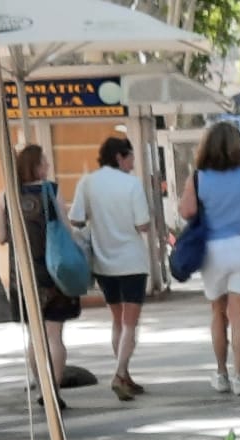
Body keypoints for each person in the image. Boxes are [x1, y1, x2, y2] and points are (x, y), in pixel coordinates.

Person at [179, 121, 240, 396]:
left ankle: (221, 372)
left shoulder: (198, 178)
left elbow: (187, 211)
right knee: (239, 315)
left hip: (213, 248)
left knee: (218, 312)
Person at [69, 135, 153, 400]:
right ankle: (119, 374)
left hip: (103, 263)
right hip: (131, 261)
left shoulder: (88, 182)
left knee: (117, 320)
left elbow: (76, 219)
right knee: (130, 323)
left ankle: (125, 374)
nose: (132, 163)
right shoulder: (132, 184)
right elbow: (143, 225)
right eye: (130, 157)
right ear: (120, 157)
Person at [0, 144, 81, 407]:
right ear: (35, 166)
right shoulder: (51, 191)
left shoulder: (6, 195)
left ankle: (41, 385)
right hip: (54, 273)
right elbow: (66, 230)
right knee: (55, 335)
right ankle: (54, 391)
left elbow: (0, 236)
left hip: (22, 275)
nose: (47, 165)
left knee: (35, 337)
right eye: (44, 161)